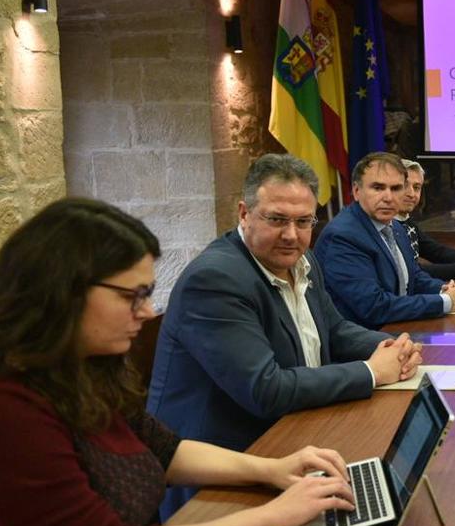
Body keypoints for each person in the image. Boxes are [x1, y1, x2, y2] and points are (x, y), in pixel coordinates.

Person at [0, 198, 358, 526]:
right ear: (61, 292)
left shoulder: (80, 367)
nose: (147, 313)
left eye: (147, 294)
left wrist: (270, 470)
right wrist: (275, 517)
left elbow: (163, 448)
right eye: (130, 296)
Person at [148, 154, 421, 500]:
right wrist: (372, 372)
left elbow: (334, 331)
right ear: (244, 214)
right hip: (225, 475)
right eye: (277, 219)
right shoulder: (215, 279)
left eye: (304, 221)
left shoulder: (301, 260)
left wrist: (393, 347)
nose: (292, 235)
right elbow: (266, 389)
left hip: (295, 439)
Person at [315, 152, 455, 326]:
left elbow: (414, 277)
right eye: (378, 188)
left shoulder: (394, 225)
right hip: (366, 341)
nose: (388, 197)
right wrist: (445, 302)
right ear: (356, 191)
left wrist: (443, 289)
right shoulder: (343, 237)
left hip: (399, 328)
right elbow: (374, 307)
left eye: (396, 188)